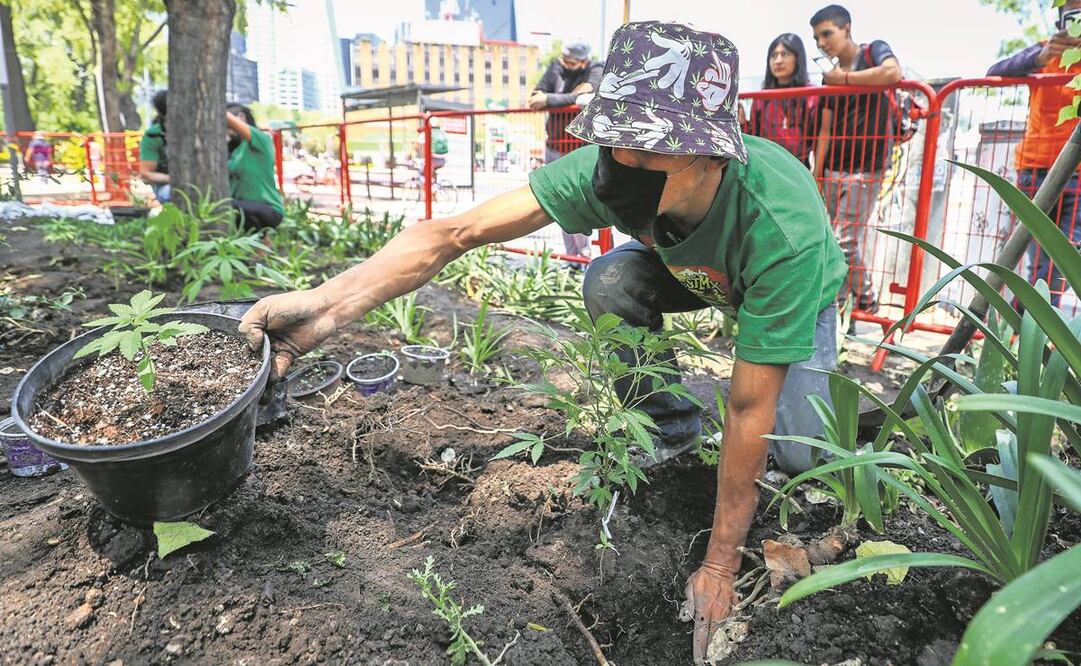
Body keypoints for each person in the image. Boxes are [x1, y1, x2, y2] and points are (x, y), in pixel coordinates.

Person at [239, 22, 846, 663]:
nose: (622, 170)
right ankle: (670, 431)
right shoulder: (615, 170)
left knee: (802, 457)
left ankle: (850, 429)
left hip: (791, 294)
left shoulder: (781, 228)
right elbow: (454, 233)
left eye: (649, 155)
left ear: (713, 156)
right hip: (686, 270)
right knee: (611, 279)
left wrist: (720, 563)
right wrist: (324, 309)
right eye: (614, 145)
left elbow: (747, 408)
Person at [987, 0, 1081, 306]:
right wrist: (1041, 57)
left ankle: (1023, 325)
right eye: (1073, 15)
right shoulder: (1045, 52)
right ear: (1060, 21)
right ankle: (1027, 328)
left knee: (1062, 264)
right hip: (1036, 170)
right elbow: (995, 71)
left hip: (1077, 177)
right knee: (1040, 263)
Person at [811, 4, 902, 315]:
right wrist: (817, 173)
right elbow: (824, 129)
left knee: (843, 243)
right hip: (833, 169)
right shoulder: (829, 76)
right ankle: (842, 310)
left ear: (846, 28)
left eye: (827, 34)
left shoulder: (873, 51)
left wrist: (844, 79)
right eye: (817, 38)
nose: (822, 43)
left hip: (867, 167)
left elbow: (893, 72)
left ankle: (864, 298)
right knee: (831, 242)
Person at [530, 42, 605, 258]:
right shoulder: (556, 67)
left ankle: (583, 254)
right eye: (565, 60)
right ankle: (572, 257)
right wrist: (572, 96)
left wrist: (549, 99)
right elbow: (535, 97)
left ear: (583, 61)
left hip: (578, 147)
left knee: (576, 203)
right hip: (555, 144)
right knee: (559, 204)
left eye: (571, 62)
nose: (565, 64)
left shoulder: (595, 69)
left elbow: (589, 96)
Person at [742, 33, 818, 166]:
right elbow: (754, 134)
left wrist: (817, 172)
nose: (778, 61)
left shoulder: (811, 95)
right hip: (768, 165)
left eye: (784, 54)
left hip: (799, 165)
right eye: (773, 55)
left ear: (797, 57)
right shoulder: (762, 97)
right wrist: (743, 123)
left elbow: (819, 137)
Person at [227, 104, 285, 230]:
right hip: (244, 208)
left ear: (241, 118)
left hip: (269, 209)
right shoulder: (234, 150)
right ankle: (263, 239)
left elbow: (226, 117)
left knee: (225, 205)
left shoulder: (261, 140)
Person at [139, 91, 171, 203]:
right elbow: (145, 174)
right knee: (169, 192)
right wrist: (175, 180)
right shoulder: (153, 135)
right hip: (165, 186)